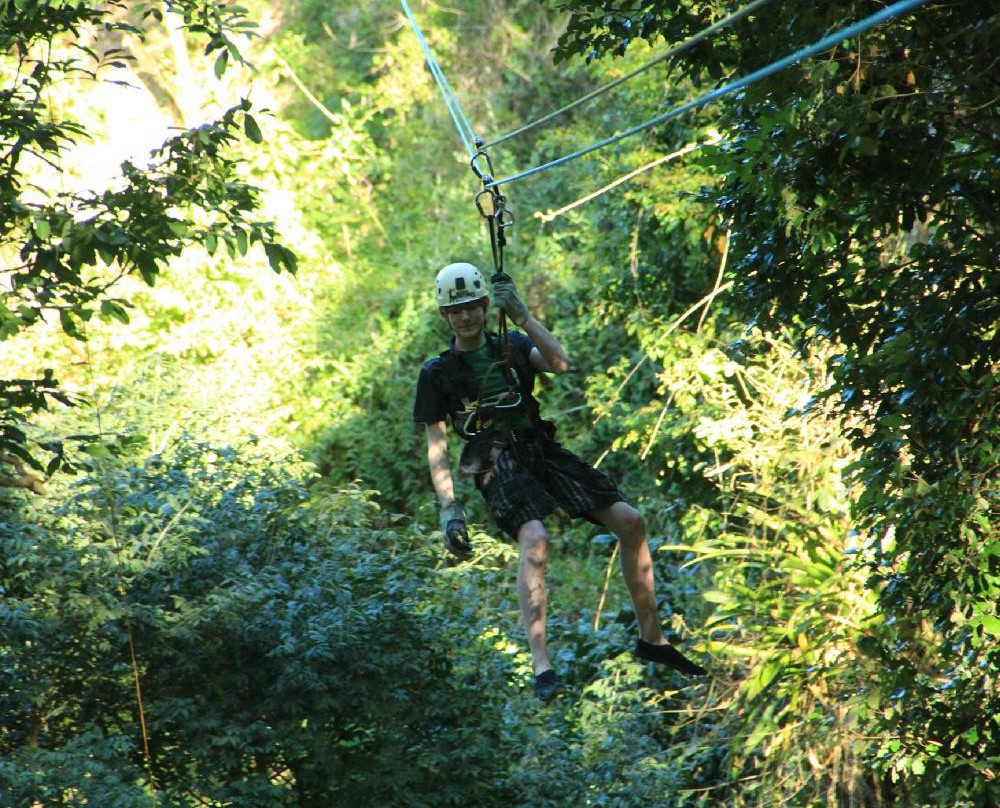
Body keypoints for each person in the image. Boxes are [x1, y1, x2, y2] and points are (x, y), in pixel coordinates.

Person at [413, 262, 706, 702]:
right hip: (495, 460)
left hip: (541, 450)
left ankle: (652, 638)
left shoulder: (510, 344)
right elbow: (437, 445)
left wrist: (524, 316)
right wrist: (449, 507)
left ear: (482, 305)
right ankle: (541, 664)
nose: (467, 317)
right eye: (457, 311)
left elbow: (560, 363)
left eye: (473, 306)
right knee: (536, 538)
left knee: (631, 522)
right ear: (445, 316)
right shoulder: (437, 373)